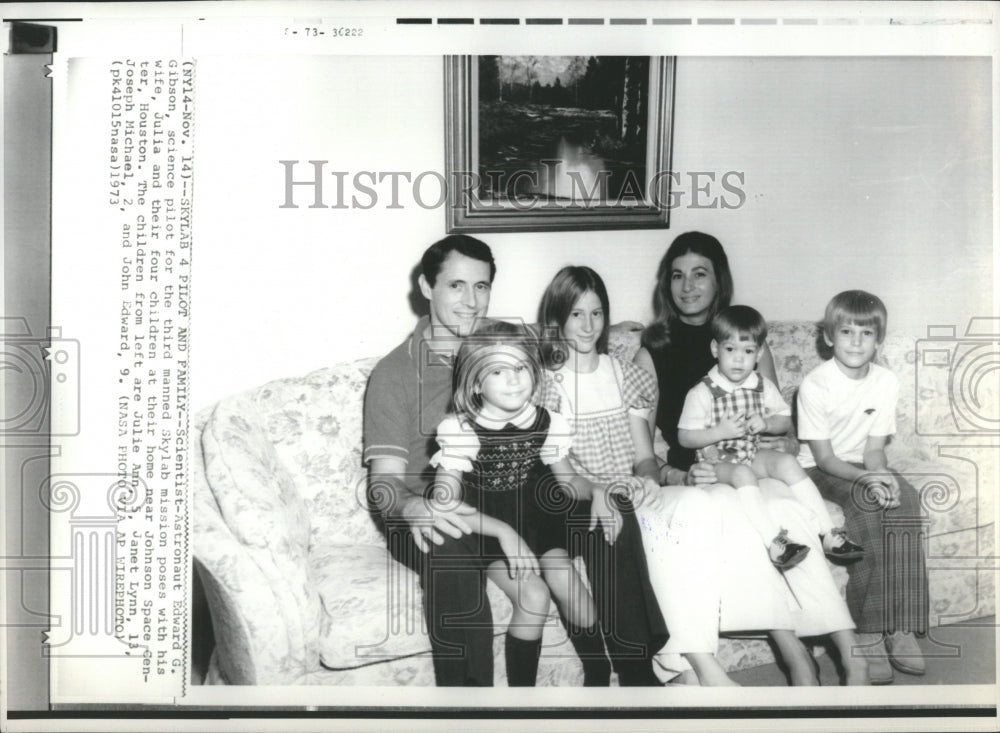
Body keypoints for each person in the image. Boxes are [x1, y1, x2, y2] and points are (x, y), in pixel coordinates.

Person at [363, 234, 663, 687]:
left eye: (481, 286)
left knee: (613, 507)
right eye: (456, 286)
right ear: (426, 287)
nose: (471, 301)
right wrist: (412, 507)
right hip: (438, 512)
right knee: (447, 547)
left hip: (515, 499)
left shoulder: (498, 350)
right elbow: (382, 486)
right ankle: (472, 709)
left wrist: (599, 488)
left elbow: (552, 409)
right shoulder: (395, 374)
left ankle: (637, 671)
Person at [634, 231, 868, 686]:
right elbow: (643, 451)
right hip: (702, 471)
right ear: (667, 284)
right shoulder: (651, 352)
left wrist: (780, 446)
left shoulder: (746, 338)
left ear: (718, 280)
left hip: (754, 461)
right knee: (744, 520)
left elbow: (779, 419)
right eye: (677, 276)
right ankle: (793, 649)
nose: (687, 286)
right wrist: (673, 472)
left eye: (699, 274)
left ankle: (848, 649)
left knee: (791, 514)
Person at [538, 265, 738, 686]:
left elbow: (645, 456)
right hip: (575, 495)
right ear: (557, 320)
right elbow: (563, 475)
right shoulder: (547, 384)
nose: (588, 325)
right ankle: (636, 671)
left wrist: (649, 478)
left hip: (627, 488)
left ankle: (690, 663)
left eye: (596, 313)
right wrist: (608, 492)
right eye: (576, 315)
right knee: (619, 523)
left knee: (696, 508)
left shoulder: (623, 374)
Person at [430, 321, 612, 686]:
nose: (514, 380)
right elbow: (441, 502)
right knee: (533, 596)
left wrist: (601, 490)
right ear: (476, 383)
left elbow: (568, 480)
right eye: (498, 370)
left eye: (521, 368)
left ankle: (599, 676)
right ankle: (522, 701)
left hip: (539, 521)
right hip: (487, 530)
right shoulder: (462, 431)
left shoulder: (546, 422)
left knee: (569, 584)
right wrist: (503, 531)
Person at [797, 290, 929, 684]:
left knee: (906, 498)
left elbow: (874, 451)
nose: (856, 342)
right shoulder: (815, 385)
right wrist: (866, 481)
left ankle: (901, 626)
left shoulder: (886, 381)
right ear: (828, 337)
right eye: (847, 331)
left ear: (879, 340)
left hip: (861, 463)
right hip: (822, 468)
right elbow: (824, 459)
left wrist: (882, 476)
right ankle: (869, 630)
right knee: (867, 507)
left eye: (866, 333)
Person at [677, 305, 864, 569]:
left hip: (751, 455)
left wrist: (765, 422)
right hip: (716, 463)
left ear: (760, 353)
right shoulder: (703, 391)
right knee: (743, 474)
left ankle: (828, 533)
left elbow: (783, 420)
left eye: (748, 351)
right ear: (715, 349)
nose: (739, 360)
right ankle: (774, 543)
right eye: (730, 350)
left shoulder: (762, 386)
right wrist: (719, 432)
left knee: (787, 463)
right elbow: (685, 437)